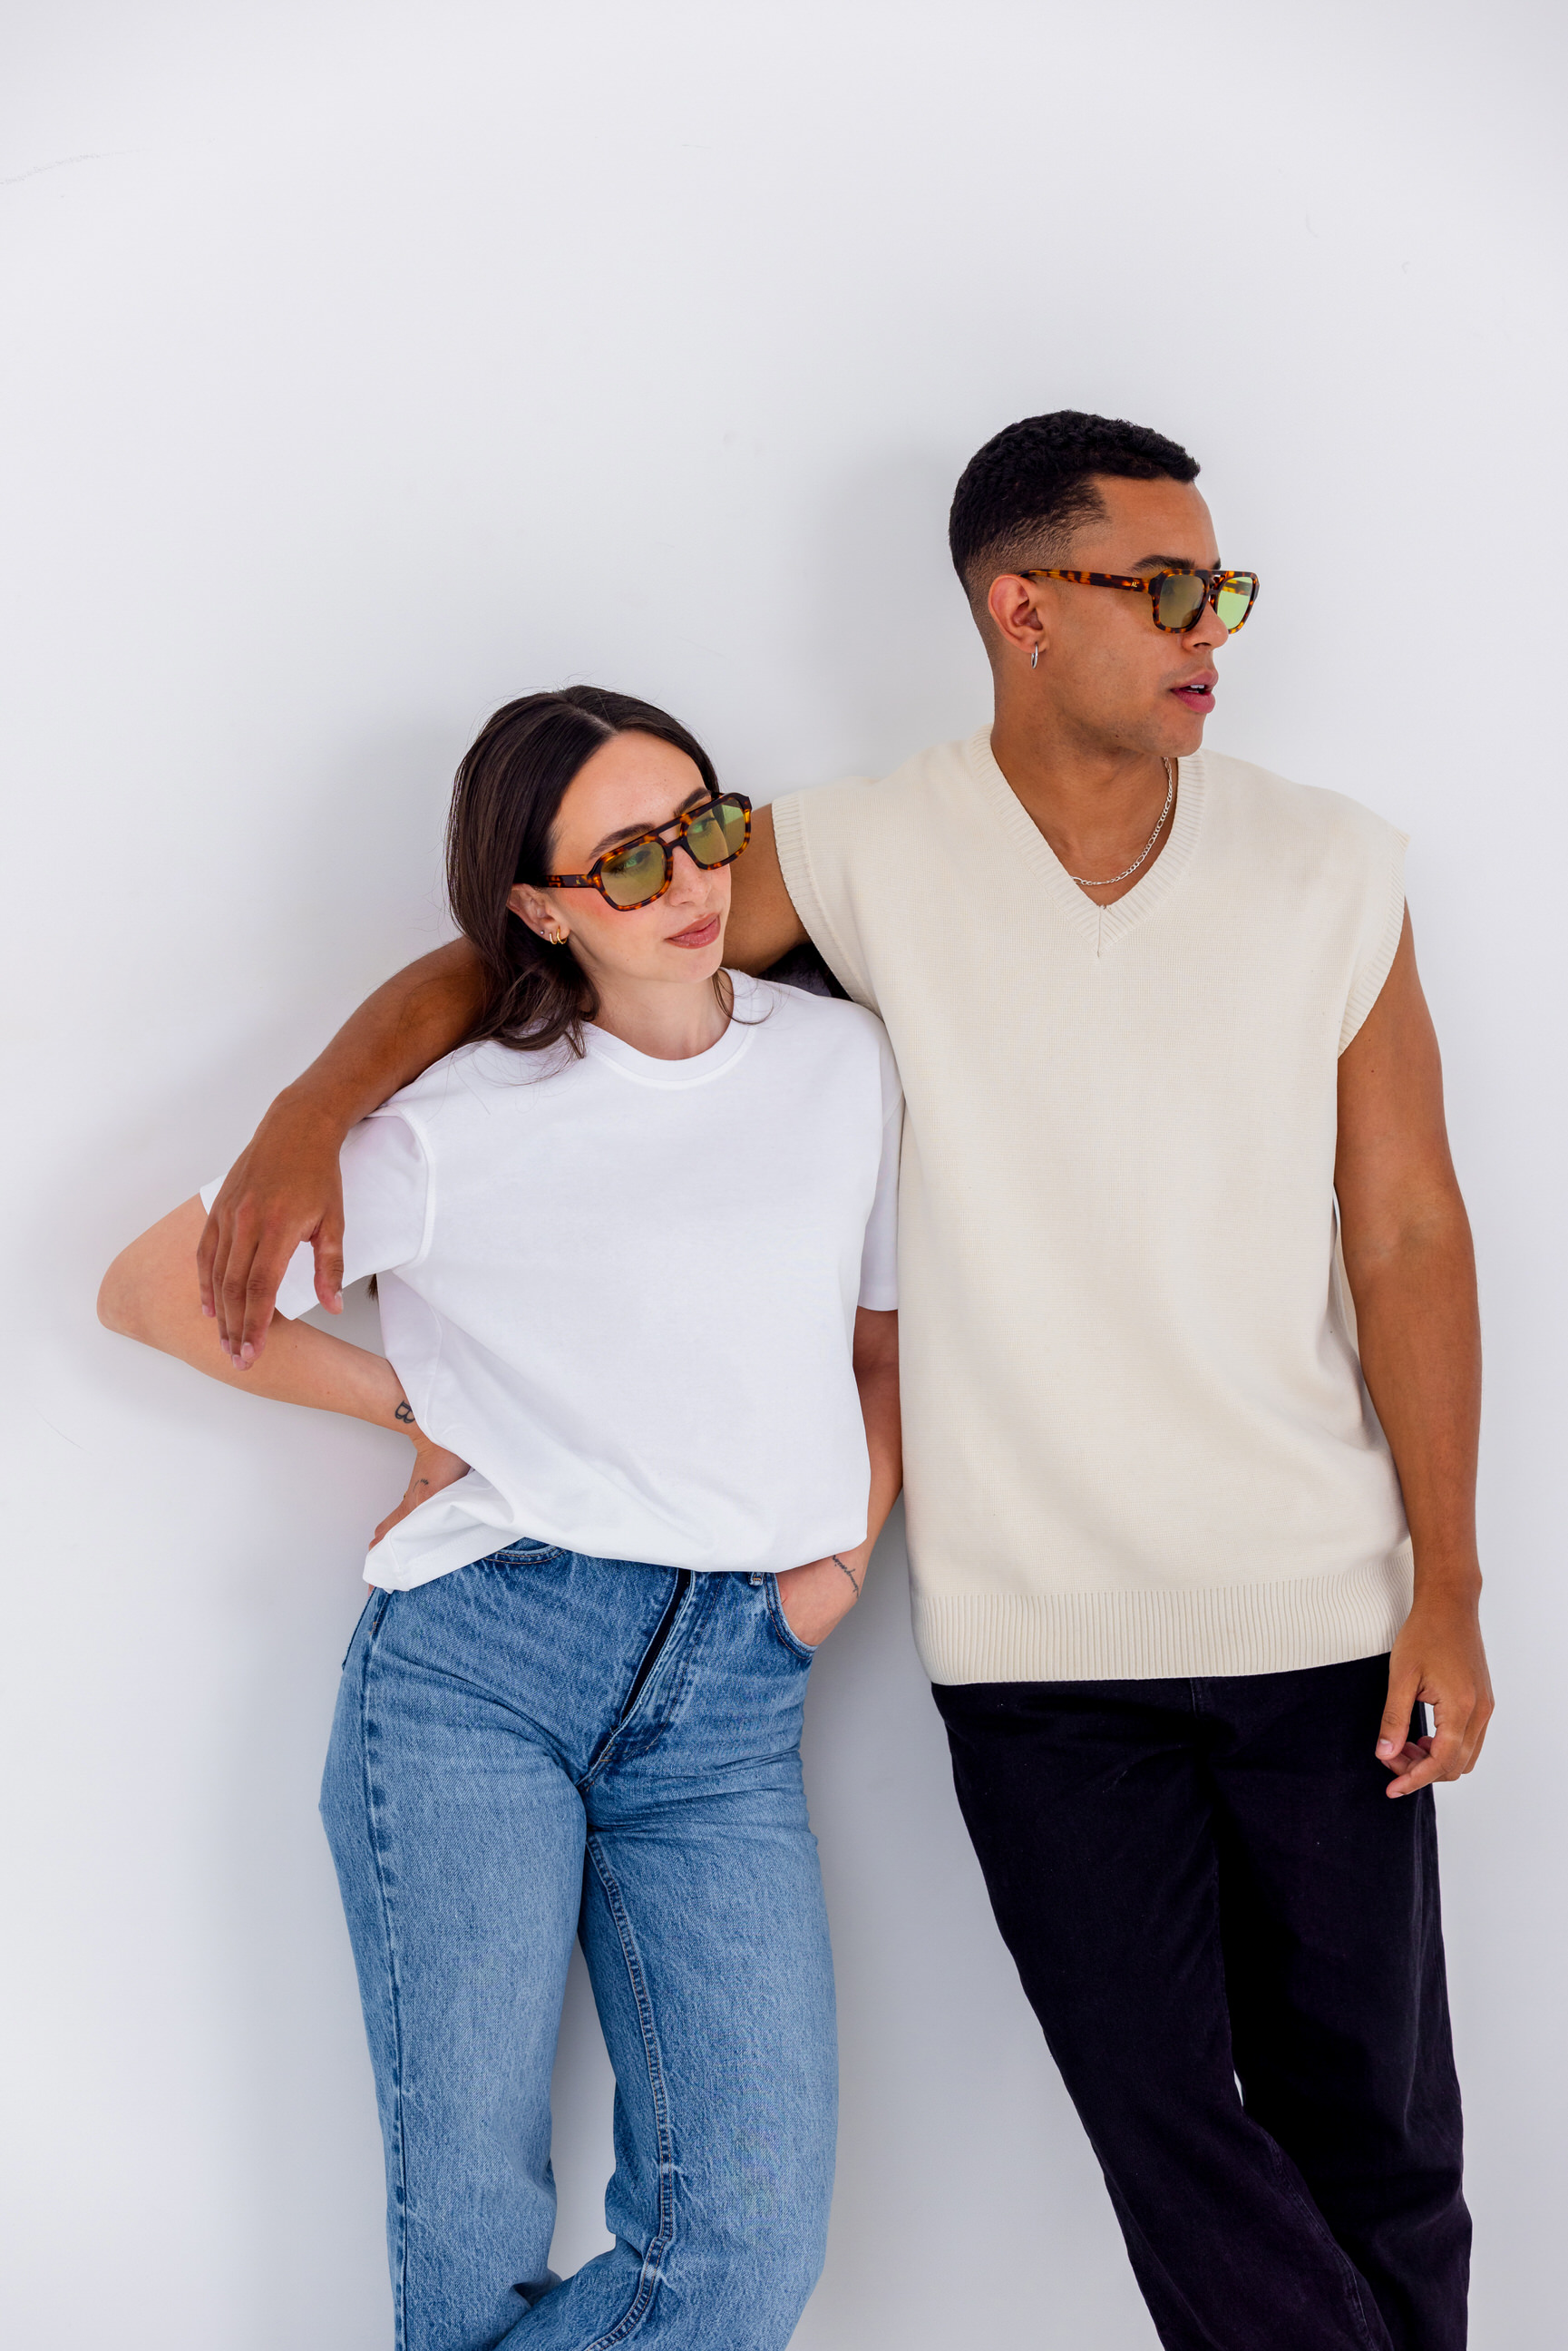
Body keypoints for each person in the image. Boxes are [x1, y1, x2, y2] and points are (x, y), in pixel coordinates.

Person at [195, 414, 1492, 2351]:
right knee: (1167, 2134)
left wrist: (1447, 1581)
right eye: (1164, 588)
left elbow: (1405, 1231)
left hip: (1323, 1608)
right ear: (1020, 609)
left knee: (1377, 2136)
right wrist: (316, 1110)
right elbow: (548, 947)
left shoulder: (1330, 866)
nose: (1208, 627)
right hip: (1037, 1651)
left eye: (1219, 587)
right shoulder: (866, 849)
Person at [98, 687, 904, 2351]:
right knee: (467, 2233)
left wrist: (838, 1560)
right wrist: (416, 1410)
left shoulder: (842, 1063)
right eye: (628, 860)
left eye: (704, 827)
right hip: (478, 1669)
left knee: (744, 2243)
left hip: (733, 1696)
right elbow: (150, 1288)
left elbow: (882, 1344)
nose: (691, 881)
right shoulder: (461, 1124)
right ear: (537, 908)